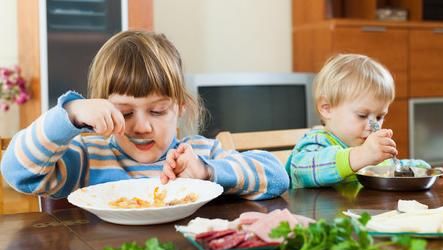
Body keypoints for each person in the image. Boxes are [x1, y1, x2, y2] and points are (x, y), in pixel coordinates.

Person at [1, 30, 289, 200]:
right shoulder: (87, 158)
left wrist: (207, 171)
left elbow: (277, 177)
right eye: (124, 113)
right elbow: (17, 173)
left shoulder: (200, 153)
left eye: (158, 110)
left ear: (179, 107)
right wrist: (69, 114)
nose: (141, 127)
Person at [286, 53, 430, 188]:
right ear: (327, 108)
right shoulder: (317, 141)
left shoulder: (369, 149)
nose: (373, 126)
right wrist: (361, 155)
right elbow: (302, 170)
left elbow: (389, 167)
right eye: (362, 115)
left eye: (379, 117)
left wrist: (423, 169)